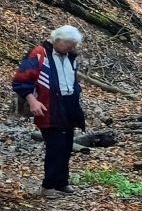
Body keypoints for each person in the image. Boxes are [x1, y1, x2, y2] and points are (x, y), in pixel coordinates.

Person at [12, 26, 87, 198]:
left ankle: (61, 182)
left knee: (67, 144)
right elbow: (21, 81)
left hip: (69, 104)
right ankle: (48, 185)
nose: (71, 48)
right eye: (69, 44)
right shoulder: (39, 54)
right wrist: (32, 101)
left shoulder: (70, 57)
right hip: (49, 105)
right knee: (55, 145)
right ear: (58, 39)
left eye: (73, 45)